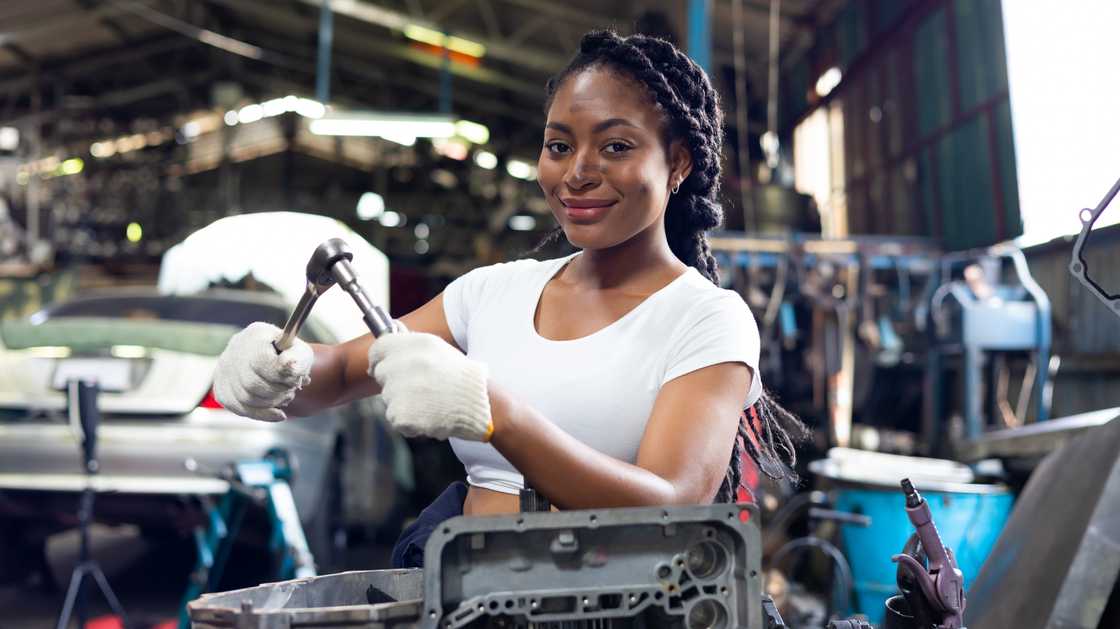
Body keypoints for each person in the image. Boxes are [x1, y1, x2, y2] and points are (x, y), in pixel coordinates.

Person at [213, 30, 805, 569]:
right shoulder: (493, 293)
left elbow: (673, 504)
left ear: (678, 162)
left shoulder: (705, 319)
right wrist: (281, 365)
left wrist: (497, 414)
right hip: (463, 593)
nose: (578, 173)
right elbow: (343, 369)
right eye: (559, 146)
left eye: (616, 147)